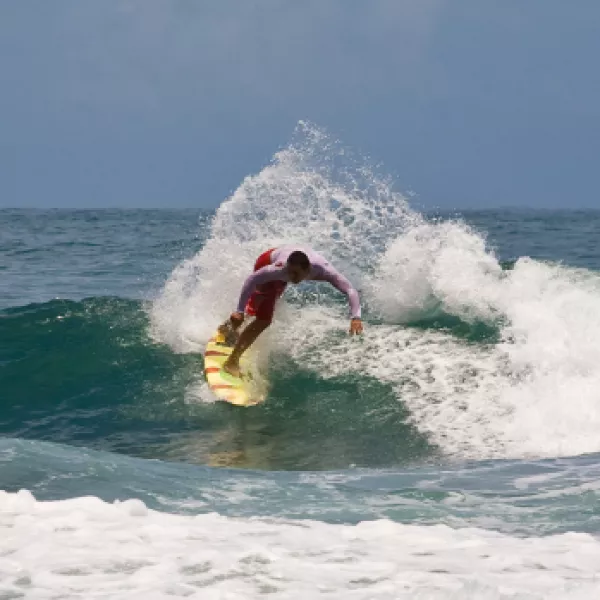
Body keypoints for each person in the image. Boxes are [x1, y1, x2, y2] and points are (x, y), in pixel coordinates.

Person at [220, 245, 363, 378]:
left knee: (263, 306)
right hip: (266, 260)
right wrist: (239, 310)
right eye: (290, 272)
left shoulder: (324, 271)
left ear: (307, 271)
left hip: (290, 259)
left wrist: (355, 317)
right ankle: (231, 361)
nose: (291, 277)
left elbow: (350, 290)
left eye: (295, 274)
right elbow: (252, 279)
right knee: (263, 318)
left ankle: (228, 328)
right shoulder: (279, 269)